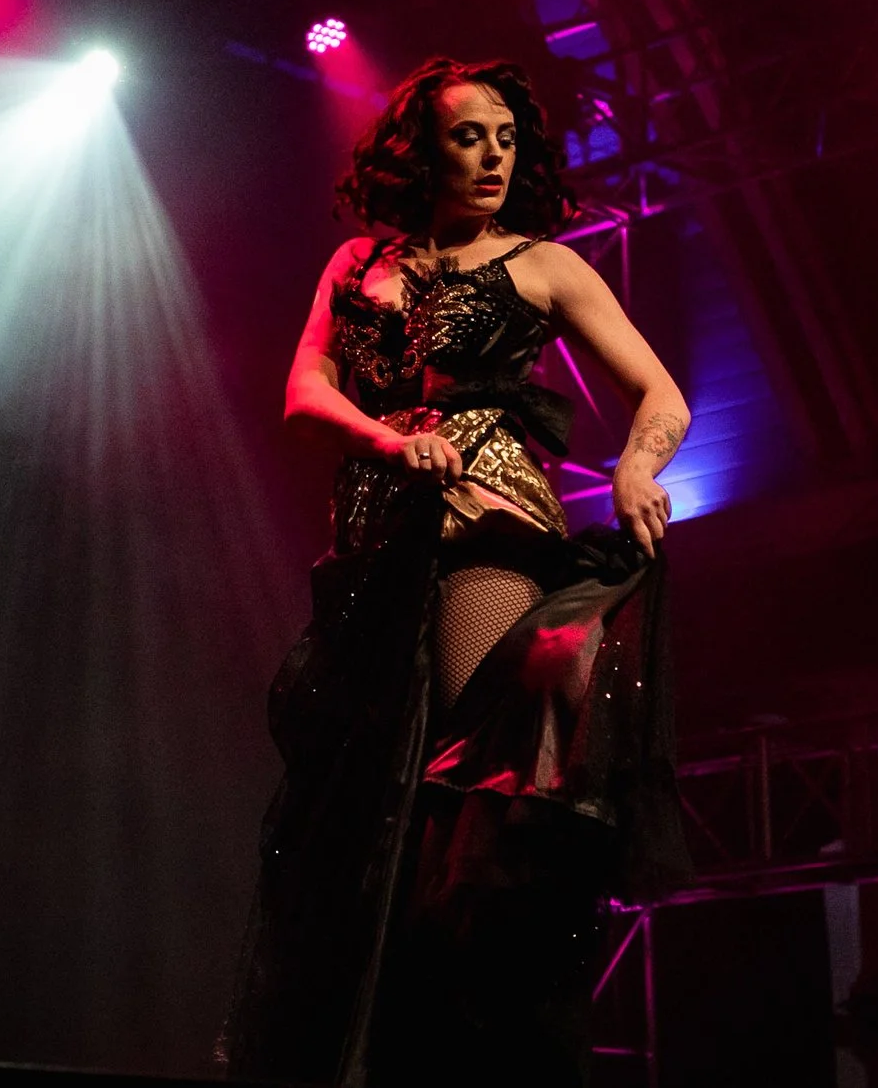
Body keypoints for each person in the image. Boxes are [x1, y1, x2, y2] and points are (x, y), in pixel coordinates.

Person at [222, 57, 692, 1087]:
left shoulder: (544, 264)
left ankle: (479, 1043)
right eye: (467, 135)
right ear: (419, 148)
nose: (490, 156)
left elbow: (659, 391)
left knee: (472, 786)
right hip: (373, 546)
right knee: (362, 819)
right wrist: (391, 445)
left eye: (505, 138)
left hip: (492, 531)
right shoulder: (356, 263)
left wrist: (635, 460)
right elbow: (306, 390)